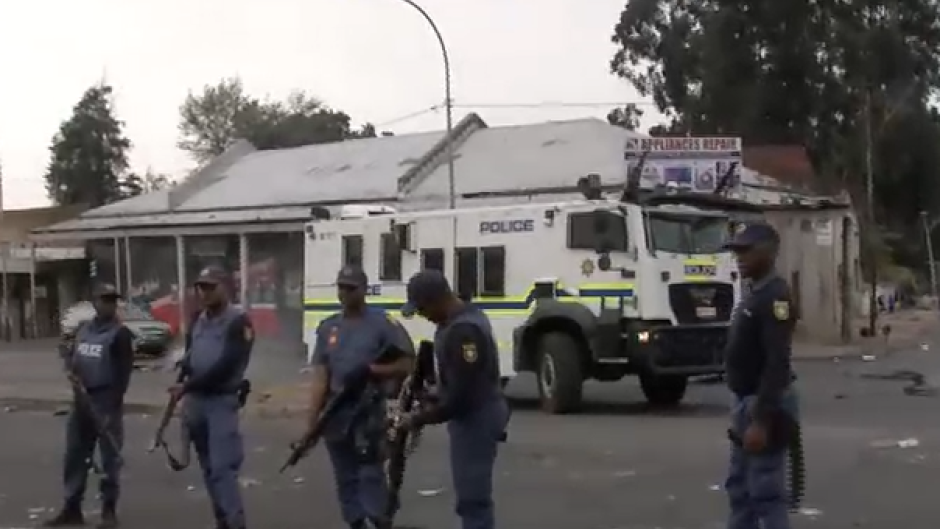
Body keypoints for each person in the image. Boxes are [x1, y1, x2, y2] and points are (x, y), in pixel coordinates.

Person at [303, 265, 415, 529]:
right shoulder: (328, 327)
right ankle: (355, 521)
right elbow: (321, 375)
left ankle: (379, 518)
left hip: (368, 410)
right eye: (341, 287)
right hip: (336, 411)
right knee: (344, 476)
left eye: (350, 288)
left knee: (369, 472)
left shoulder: (382, 324)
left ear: (364, 290)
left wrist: (373, 370)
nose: (344, 293)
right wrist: (312, 421)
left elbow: (408, 363)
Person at [396, 269, 509, 529]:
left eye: (423, 308)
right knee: (471, 495)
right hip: (477, 409)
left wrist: (417, 418)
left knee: (472, 498)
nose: (423, 316)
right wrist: (431, 394)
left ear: (437, 300)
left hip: (476, 417)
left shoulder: (463, 331)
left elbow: (462, 395)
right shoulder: (462, 319)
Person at [723, 223, 799, 529]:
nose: (739, 257)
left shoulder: (775, 297)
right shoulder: (756, 292)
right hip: (746, 402)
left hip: (763, 405)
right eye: (737, 251)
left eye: (746, 251)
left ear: (769, 252)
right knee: (739, 489)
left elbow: (777, 362)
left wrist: (761, 420)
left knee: (765, 492)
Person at [44, 284, 135, 528]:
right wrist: (69, 365)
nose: (109, 305)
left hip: (105, 401)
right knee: (75, 456)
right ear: (94, 302)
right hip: (81, 400)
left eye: (112, 301)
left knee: (109, 460)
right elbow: (74, 358)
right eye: (104, 300)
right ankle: (72, 508)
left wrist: (112, 407)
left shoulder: (120, 334)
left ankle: (108, 511)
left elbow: (123, 375)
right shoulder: (84, 330)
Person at [174, 266, 254, 529]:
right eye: (201, 287)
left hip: (220, 401)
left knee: (223, 469)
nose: (204, 293)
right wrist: (181, 380)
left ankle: (235, 522)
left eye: (211, 286)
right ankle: (221, 520)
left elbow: (226, 365)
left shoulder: (239, 321)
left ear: (226, 287)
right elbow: (190, 355)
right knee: (208, 469)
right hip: (196, 402)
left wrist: (187, 386)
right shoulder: (198, 318)